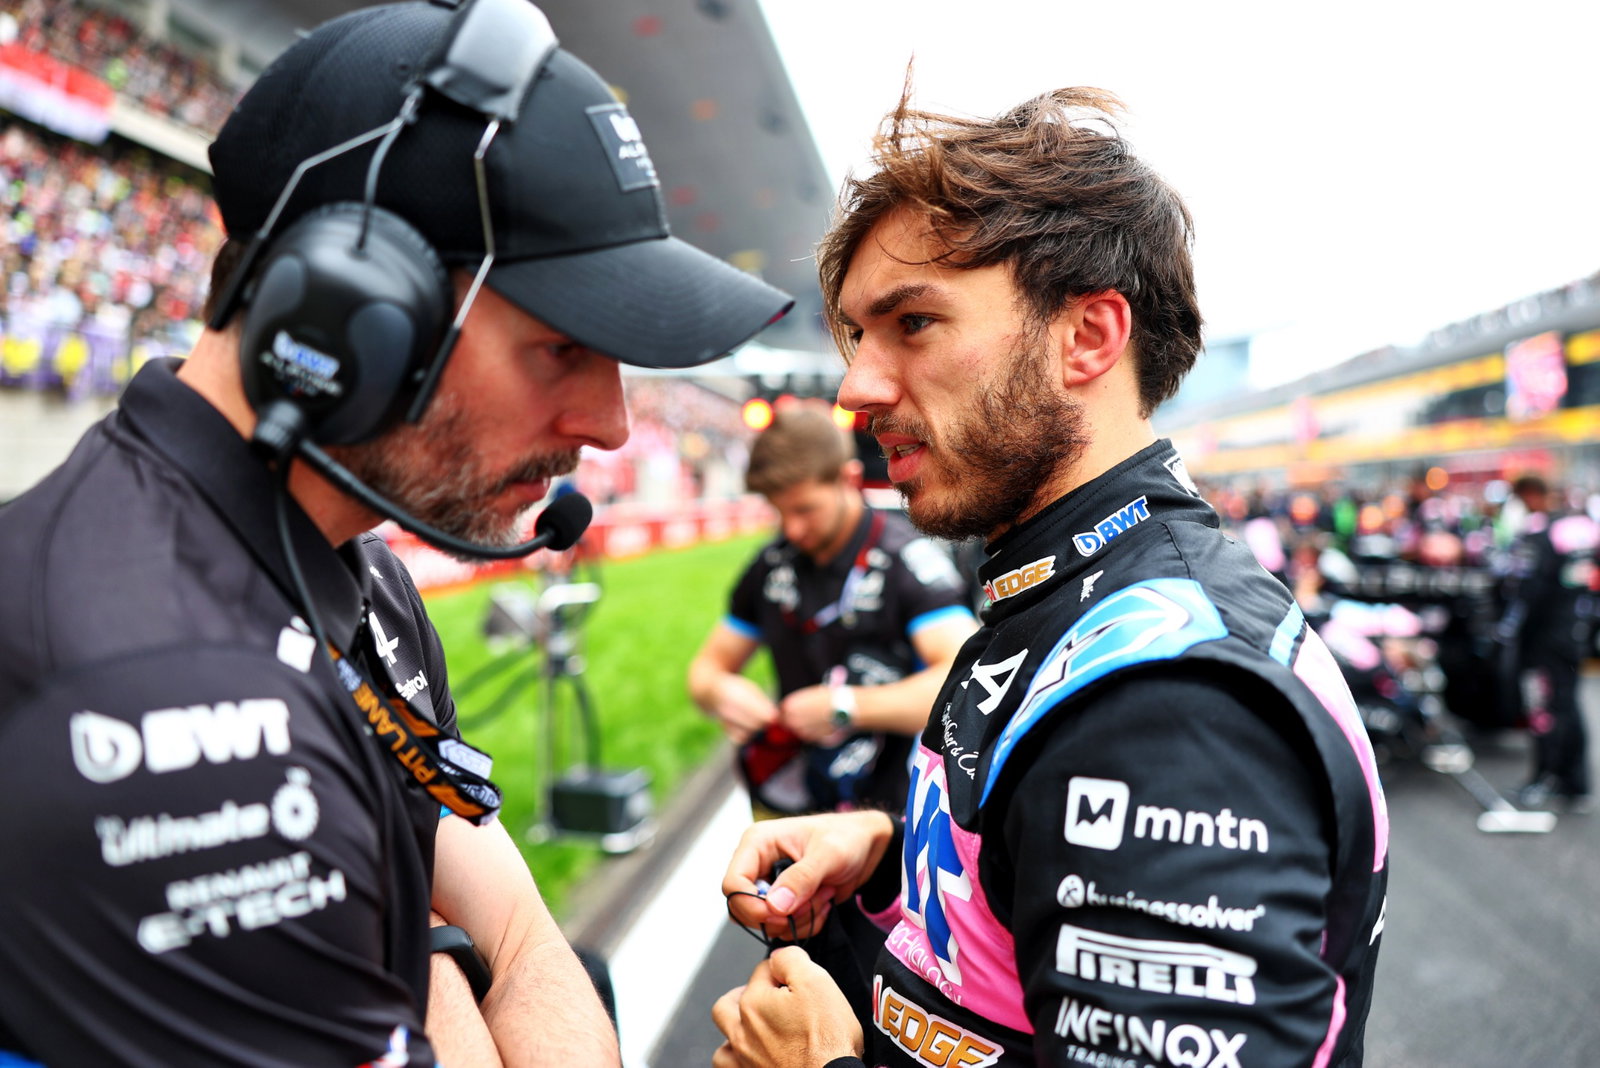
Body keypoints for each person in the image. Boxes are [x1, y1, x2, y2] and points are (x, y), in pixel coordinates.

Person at [0, 1, 791, 1064]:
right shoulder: (162, 699)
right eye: (560, 348)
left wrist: (434, 956)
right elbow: (488, 934)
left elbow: (516, 924)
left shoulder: (360, 578)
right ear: (342, 321)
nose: (609, 422)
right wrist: (445, 955)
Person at [713, 86, 1388, 1068]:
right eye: (858, 338)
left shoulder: (1169, 707)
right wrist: (899, 855)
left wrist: (818, 1066)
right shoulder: (1073, 579)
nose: (857, 387)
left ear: (1086, 337)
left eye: (913, 323)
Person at [687, 402, 977, 819]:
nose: (792, 529)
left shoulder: (907, 561)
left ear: (849, 479)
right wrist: (722, 694)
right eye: (779, 511)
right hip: (796, 805)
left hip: (895, 816)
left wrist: (845, 707)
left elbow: (961, 683)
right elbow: (705, 671)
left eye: (805, 509)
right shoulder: (772, 565)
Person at [1497, 475, 1598, 811]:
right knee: (1567, 705)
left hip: (1546, 639)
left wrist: (1511, 630)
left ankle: (1548, 778)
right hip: (1575, 632)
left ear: (1530, 495)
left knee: (1546, 709)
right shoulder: (1579, 527)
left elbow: (1528, 593)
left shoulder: (1540, 533)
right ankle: (1575, 783)